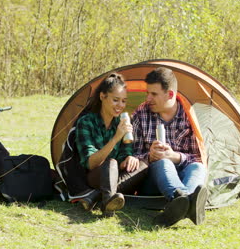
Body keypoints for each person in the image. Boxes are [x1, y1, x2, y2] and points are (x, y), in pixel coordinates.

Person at [132, 67, 208, 227]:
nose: (148, 98)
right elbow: (132, 154)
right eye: (148, 93)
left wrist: (175, 156)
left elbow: (198, 156)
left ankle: (180, 204)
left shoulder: (188, 115)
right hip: (153, 180)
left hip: (182, 173)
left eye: (154, 94)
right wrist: (150, 156)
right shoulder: (141, 113)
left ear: (170, 94)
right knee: (163, 162)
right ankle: (186, 201)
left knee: (199, 168)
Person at [75, 72, 148, 217]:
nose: (120, 105)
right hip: (94, 175)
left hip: (116, 175)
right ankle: (108, 200)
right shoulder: (86, 122)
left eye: (123, 101)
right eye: (116, 100)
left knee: (143, 164)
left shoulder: (121, 122)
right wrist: (115, 138)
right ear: (103, 96)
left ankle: (98, 197)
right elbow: (91, 163)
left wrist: (128, 159)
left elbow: (124, 153)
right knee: (111, 163)